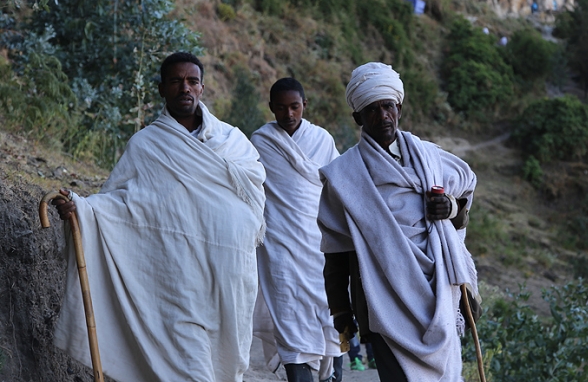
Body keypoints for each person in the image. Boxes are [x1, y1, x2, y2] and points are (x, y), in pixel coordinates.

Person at [51, 52, 267, 382]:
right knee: (191, 370)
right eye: (175, 82)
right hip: (175, 284)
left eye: (192, 81)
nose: (185, 88)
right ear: (161, 90)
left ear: (202, 87)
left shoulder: (233, 143)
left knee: (224, 366)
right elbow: (121, 206)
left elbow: (254, 206)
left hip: (227, 281)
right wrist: (81, 210)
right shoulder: (147, 146)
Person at [318, 62, 479, 381]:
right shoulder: (343, 177)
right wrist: (341, 311)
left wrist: (448, 207)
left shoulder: (430, 157)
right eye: (372, 110)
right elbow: (335, 252)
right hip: (381, 301)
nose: (382, 116)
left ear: (399, 108)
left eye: (388, 107)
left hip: (440, 293)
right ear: (358, 118)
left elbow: (460, 210)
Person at [250, 77, 343, 382]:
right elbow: (249, 188)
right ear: (271, 108)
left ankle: (331, 372)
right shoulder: (261, 142)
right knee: (288, 321)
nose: (288, 114)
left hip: (319, 248)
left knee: (329, 320)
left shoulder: (323, 140)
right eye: (281, 108)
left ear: (305, 105)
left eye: (294, 106)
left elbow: (338, 190)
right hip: (279, 249)